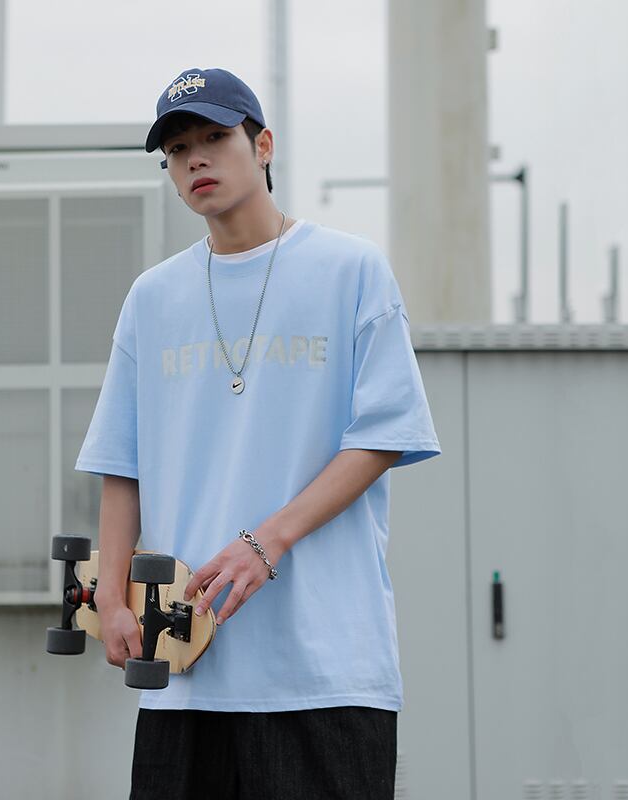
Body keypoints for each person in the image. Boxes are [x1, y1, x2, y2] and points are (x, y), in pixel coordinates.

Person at [75, 66, 441, 800]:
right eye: (178, 150)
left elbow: (383, 435)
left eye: (214, 138)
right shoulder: (153, 298)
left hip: (326, 670)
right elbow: (122, 463)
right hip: (187, 670)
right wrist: (111, 598)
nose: (196, 160)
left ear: (264, 145)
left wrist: (265, 541)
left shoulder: (350, 269)